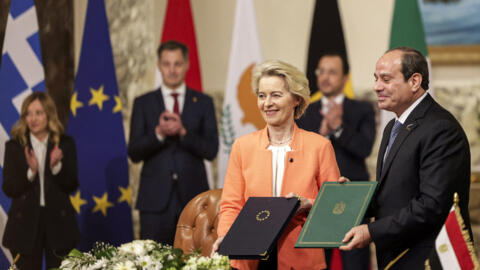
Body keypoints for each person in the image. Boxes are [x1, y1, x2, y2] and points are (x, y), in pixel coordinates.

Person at [340, 47, 471, 269]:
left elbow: (431, 205)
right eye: (375, 79)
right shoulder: (394, 126)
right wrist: (351, 199)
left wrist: (371, 231)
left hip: (425, 259)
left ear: (414, 81)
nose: (376, 87)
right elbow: (395, 192)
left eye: (386, 79)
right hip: (397, 257)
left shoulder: (440, 129)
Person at [212, 60, 341, 270]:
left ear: (296, 99)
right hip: (248, 258)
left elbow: (335, 210)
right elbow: (231, 205)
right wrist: (226, 238)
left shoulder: (320, 146)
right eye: (262, 96)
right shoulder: (242, 147)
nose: (267, 103)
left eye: (276, 95)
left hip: (300, 260)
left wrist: (309, 204)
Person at [128, 40, 219, 245]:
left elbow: (211, 149)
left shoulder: (203, 102)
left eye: (177, 64)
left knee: (195, 260)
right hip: (154, 202)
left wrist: (183, 132)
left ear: (186, 64)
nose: (172, 70)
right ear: (159, 65)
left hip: (194, 200)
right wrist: (159, 133)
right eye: (167, 64)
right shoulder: (143, 103)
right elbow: (133, 152)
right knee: (152, 261)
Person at [297, 53, 375, 270]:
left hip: (352, 193)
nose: (325, 77)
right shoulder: (304, 111)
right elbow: (300, 154)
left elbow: (364, 148)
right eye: (321, 71)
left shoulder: (362, 109)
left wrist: (339, 127)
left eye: (332, 72)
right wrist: (321, 135)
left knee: (356, 261)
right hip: (316, 195)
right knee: (318, 261)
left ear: (345, 77)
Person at [2, 92, 80, 269]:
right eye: (28, 113)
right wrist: (31, 172)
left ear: (49, 115)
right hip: (24, 225)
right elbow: (9, 188)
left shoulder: (65, 144)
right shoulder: (14, 146)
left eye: (38, 113)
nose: (33, 119)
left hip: (59, 224)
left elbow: (72, 184)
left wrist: (55, 167)